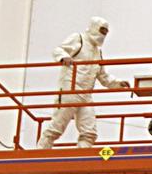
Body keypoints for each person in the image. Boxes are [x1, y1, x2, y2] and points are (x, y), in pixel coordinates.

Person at [39, 17, 129, 148]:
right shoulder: (79, 39)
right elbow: (58, 50)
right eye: (102, 30)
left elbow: (103, 76)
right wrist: (64, 57)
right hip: (70, 90)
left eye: (105, 32)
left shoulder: (98, 52)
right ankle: (41, 152)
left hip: (86, 95)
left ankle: (80, 157)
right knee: (56, 128)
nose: (103, 34)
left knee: (89, 133)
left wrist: (118, 84)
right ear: (94, 27)